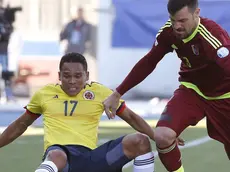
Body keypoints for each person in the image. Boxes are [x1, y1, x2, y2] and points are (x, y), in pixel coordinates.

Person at [103, 0, 230, 172]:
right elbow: (149, 62)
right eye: (173, 20)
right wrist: (117, 93)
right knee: (162, 136)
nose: (177, 26)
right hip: (192, 91)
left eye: (182, 21)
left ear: (196, 13)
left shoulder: (212, 37)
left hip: (224, 96)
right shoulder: (168, 32)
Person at [1, 52, 159, 172]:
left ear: (87, 76)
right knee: (57, 155)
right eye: (66, 76)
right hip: (60, 159)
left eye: (78, 76)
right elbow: (19, 125)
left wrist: (156, 136)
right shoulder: (44, 94)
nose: (72, 81)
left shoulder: (101, 93)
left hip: (90, 160)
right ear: (59, 76)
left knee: (140, 141)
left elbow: (130, 117)